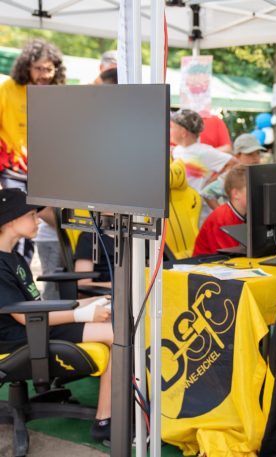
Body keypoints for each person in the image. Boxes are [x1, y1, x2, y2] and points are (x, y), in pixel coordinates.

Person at [0, 188, 113, 442]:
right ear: (9, 221)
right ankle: (105, 421)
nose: (38, 219)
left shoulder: (15, 258)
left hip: (32, 327)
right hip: (17, 338)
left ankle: (109, 414)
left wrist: (88, 301)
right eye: (31, 214)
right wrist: (82, 314)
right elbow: (22, 316)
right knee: (116, 334)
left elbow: (35, 306)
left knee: (117, 328)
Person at [0, 39, 67, 296]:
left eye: (49, 69)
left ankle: (27, 287)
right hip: (13, 173)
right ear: (27, 66)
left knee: (38, 231)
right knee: (15, 230)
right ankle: (13, 290)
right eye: (39, 68)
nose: (44, 75)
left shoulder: (55, 93)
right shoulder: (8, 89)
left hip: (45, 175)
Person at [170, 109, 238, 225]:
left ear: (183, 132)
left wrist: (211, 182)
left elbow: (234, 163)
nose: (169, 131)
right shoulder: (177, 150)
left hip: (197, 216)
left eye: (172, 127)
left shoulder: (203, 152)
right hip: (180, 212)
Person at [193, 165, 248, 256]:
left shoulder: (247, 213)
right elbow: (230, 257)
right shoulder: (222, 219)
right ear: (236, 194)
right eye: (252, 188)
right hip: (206, 266)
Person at [201, 133, 265, 209]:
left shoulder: (261, 174)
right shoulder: (231, 177)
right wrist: (223, 215)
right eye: (250, 154)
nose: (255, 158)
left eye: (258, 153)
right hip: (238, 220)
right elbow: (207, 192)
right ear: (237, 156)